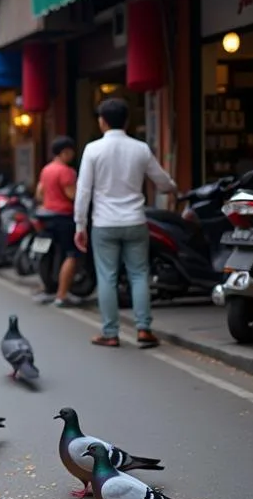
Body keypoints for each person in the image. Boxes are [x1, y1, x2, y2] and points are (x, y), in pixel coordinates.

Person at [74, 97, 177, 349]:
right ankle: (143, 330)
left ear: (102, 121)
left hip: (104, 223)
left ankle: (110, 333)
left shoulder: (92, 150)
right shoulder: (140, 148)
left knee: (107, 277)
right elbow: (162, 182)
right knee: (139, 274)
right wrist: (173, 188)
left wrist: (80, 225)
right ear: (127, 121)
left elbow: (83, 190)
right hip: (135, 220)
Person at [34, 136, 78, 307]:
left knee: (48, 253)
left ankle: (47, 287)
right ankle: (62, 295)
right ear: (65, 152)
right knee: (72, 254)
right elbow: (72, 195)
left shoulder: (46, 170)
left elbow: (39, 193)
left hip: (46, 216)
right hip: (63, 217)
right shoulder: (65, 171)